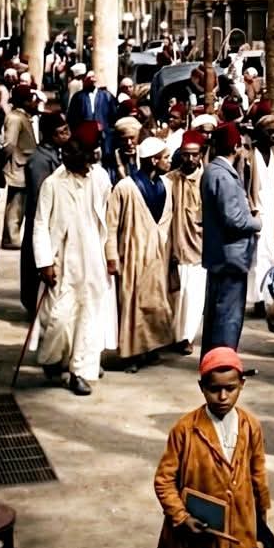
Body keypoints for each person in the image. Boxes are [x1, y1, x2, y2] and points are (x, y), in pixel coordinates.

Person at [148, 347, 271, 548]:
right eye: (214, 389)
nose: (223, 396)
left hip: (240, 531)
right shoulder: (185, 430)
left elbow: (258, 474)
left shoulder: (251, 427)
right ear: (202, 387)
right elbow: (164, 480)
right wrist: (181, 517)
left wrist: (260, 520)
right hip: (200, 535)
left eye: (231, 388)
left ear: (242, 385)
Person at [31, 126, 114, 395]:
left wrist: (111, 256)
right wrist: (44, 262)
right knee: (59, 319)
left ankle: (80, 370)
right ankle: (54, 360)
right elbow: (40, 224)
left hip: (93, 261)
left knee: (89, 318)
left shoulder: (101, 179)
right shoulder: (53, 184)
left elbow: (109, 223)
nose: (67, 155)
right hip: (62, 263)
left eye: (77, 154)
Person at [107, 136, 174, 372]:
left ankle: (150, 347)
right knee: (132, 305)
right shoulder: (125, 187)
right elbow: (111, 224)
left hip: (157, 257)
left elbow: (167, 223)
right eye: (165, 157)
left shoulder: (167, 186)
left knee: (154, 303)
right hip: (132, 256)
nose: (169, 161)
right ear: (154, 160)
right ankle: (131, 354)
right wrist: (112, 256)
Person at [200, 123, 261, 356]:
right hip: (231, 258)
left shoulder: (211, 171)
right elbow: (233, 219)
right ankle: (222, 363)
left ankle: (212, 362)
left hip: (219, 255)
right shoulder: (223, 175)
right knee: (228, 317)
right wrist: (256, 222)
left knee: (216, 315)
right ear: (235, 146)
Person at [21, 111, 71, 316]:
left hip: (55, 221)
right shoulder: (39, 161)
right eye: (62, 132)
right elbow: (39, 198)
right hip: (42, 222)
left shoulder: (58, 153)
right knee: (37, 265)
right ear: (52, 135)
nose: (67, 135)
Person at [167, 130, 207, 355]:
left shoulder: (207, 179)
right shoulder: (170, 179)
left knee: (193, 297)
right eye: (186, 155)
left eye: (194, 155)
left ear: (201, 154)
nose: (190, 160)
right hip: (174, 245)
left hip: (199, 248)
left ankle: (186, 337)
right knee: (176, 295)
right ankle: (173, 334)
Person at [243, 114, 274, 310]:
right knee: (259, 256)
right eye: (270, 133)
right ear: (260, 134)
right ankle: (260, 299)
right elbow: (245, 187)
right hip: (259, 210)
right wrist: (252, 210)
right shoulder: (249, 156)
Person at [1, 84, 38, 250]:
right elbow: (9, 144)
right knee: (16, 204)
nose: (34, 102)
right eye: (31, 99)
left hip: (23, 165)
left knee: (20, 203)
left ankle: (12, 235)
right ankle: (11, 237)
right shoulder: (15, 118)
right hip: (18, 165)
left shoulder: (22, 116)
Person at [66, 70, 116, 153]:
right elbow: (72, 117)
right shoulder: (78, 97)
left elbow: (113, 116)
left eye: (93, 77)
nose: (92, 80)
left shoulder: (106, 96)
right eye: (89, 78)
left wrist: (108, 131)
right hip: (85, 136)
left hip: (104, 136)